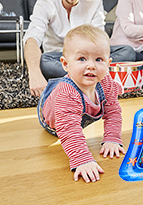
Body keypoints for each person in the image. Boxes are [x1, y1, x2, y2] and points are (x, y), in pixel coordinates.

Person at [24, 0, 135, 97]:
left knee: (128, 52)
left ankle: (74, 80)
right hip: (58, 57)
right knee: (43, 62)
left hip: (89, 57)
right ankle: (94, 78)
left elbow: (100, 40)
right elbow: (32, 38)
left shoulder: (95, 2)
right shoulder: (45, 3)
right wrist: (34, 74)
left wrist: (88, 61)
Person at [37, 24, 125, 183]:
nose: (91, 65)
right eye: (82, 59)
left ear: (109, 64)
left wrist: (112, 138)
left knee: (109, 93)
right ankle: (52, 90)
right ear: (65, 64)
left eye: (99, 59)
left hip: (79, 108)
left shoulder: (106, 82)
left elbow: (113, 112)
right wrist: (82, 159)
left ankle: (115, 89)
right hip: (54, 121)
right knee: (65, 104)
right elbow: (69, 129)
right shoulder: (67, 93)